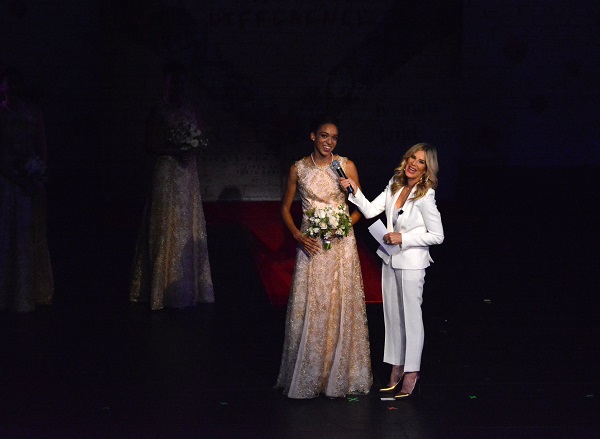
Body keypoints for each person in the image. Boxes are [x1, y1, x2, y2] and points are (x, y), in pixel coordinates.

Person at [275, 116, 372, 399]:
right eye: (324, 136)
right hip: (311, 245)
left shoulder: (346, 165)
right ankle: (307, 373)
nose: (329, 142)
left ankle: (339, 374)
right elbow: (284, 208)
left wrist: (342, 226)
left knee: (339, 301)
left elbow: (359, 208)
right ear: (312, 137)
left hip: (341, 244)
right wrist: (297, 235)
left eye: (334, 138)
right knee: (313, 302)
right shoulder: (298, 169)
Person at [339, 143, 444, 398]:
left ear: (426, 168)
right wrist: (353, 191)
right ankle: (397, 366)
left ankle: (412, 371)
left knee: (411, 318)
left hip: (411, 262)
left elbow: (437, 235)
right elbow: (370, 210)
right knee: (393, 317)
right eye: (411, 157)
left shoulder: (425, 194)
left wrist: (404, 238)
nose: (413, 163)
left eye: (420, 161)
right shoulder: (395, 184)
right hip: (390, 260)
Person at [130, 60, 214, 310]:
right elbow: (149, 144)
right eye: (173, 81)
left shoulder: (190, 108)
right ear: (165, 82)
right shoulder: (158, 110)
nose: (178, 86)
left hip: (187, 173)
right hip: (167, 171)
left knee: (187, 223)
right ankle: (159, 288)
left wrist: (193, 146)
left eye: (181, 81)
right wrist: (174, 149)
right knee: (164, 222)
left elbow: (201, 136)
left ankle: (189, 286)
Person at [0, 66, 54, 312]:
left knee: (28, 237)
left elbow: (42, 147)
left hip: (29, 183)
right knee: (7, 236)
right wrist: (11, 172)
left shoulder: (34, 113)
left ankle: (28, 292)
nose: (11, 90)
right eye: (7, 85)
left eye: (14, 85)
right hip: (6, 181)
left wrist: (38, 172)